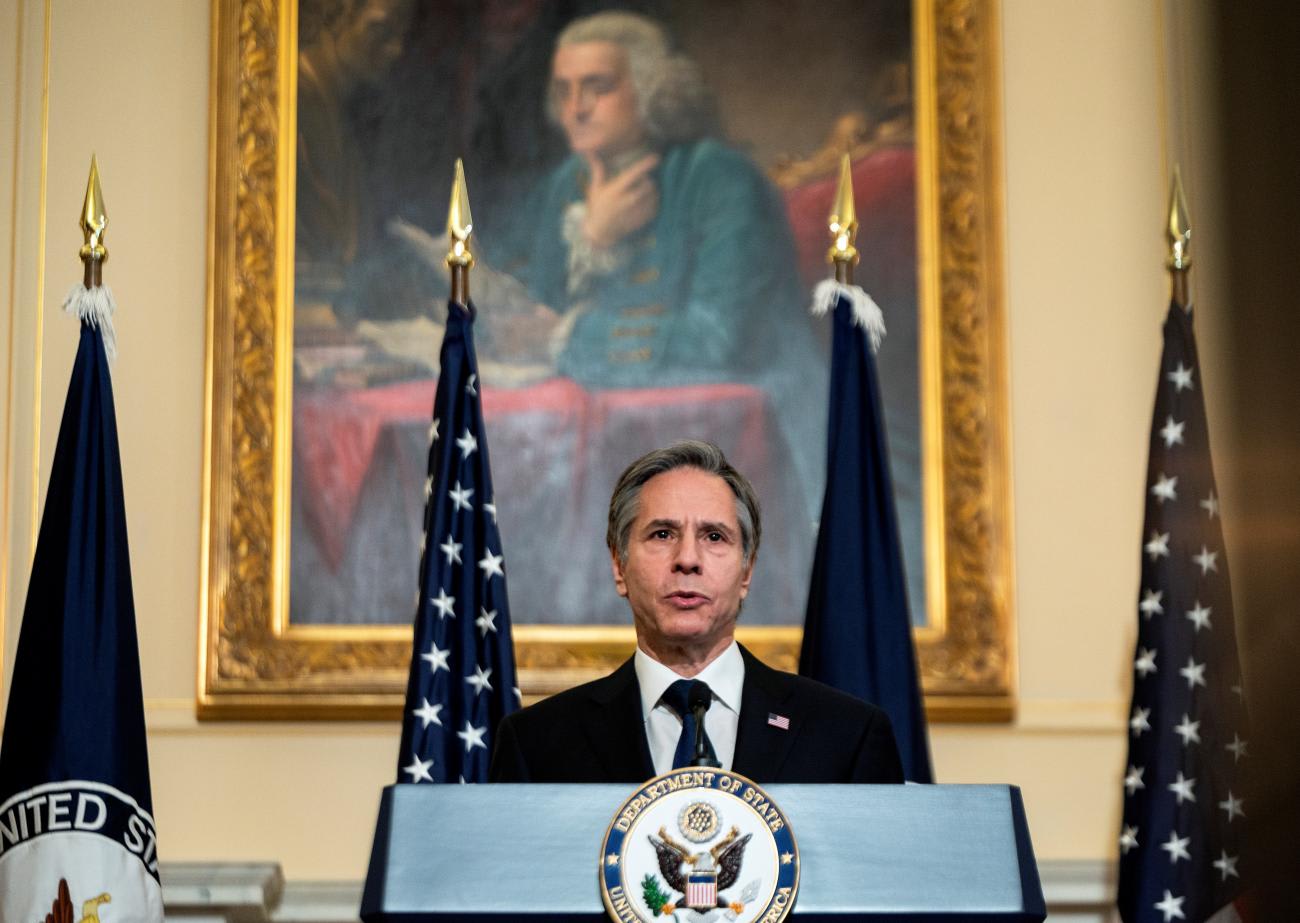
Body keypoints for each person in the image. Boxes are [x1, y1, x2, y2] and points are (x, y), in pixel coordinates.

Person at [489, 441, 904, 783]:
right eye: (662, 534)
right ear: (619, 566)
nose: (687, 559)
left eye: (714, 536)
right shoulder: (535, 744)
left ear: (747, 570)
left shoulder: (848, 735)